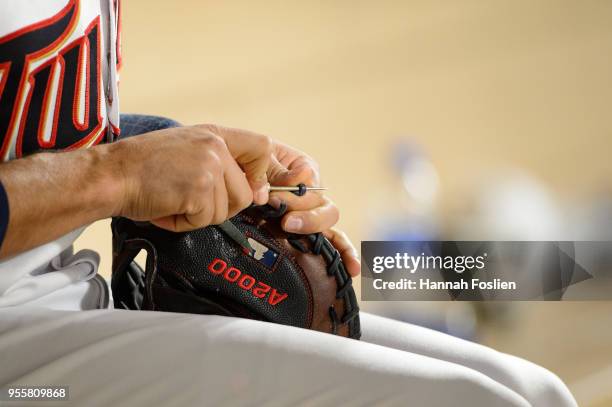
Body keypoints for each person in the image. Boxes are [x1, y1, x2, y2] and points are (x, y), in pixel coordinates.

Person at [0, 1, 577, 406]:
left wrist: (197, 167)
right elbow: (99, 171)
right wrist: (119, 174)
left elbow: (32, 134)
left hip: (72, 303)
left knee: (531, 392)